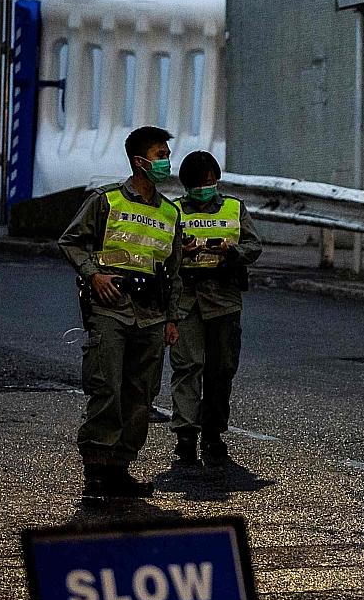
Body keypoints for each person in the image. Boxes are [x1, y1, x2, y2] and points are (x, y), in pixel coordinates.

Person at [58, 126, 182, 498]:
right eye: (159, 154)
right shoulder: (106, 200)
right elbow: (71, 241)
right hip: (111, 308)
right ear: (138, 160)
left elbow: (173, 272)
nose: (165, 162)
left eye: (165, 154)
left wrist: (172, 318)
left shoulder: (170, 212)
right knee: (106, 388)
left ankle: (120, 467)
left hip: (152, 313)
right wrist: (93, 276)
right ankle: (97, 470)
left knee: (141, 395)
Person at [169, 151, 262, 466]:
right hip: (185, 298)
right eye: (200, 183)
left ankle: (213, 432)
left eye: (211, 181)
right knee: (187, 366)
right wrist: (183, 251)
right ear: (188, 185)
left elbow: (253, 246)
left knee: (221, 369)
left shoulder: (234, 208)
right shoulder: (173, 211)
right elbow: (161, 250)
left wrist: (231, 251)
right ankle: (185, 433)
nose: (206, 187)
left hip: (223, 297)